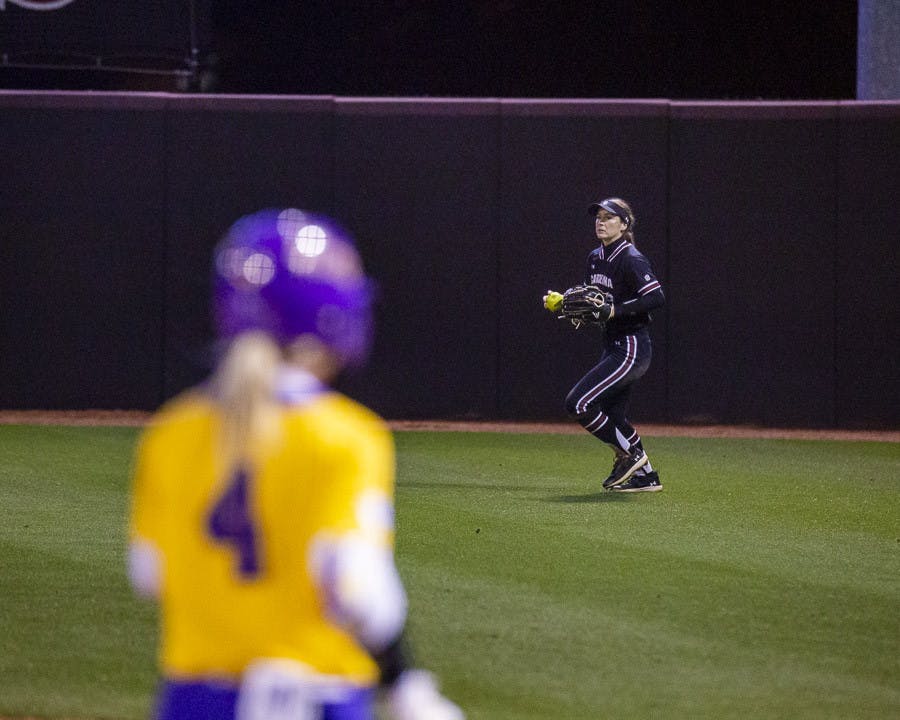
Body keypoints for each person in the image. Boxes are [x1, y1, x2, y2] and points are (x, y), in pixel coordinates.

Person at [127, 208, 464, 720]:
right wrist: (405, 684)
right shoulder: (344, 436)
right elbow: (359, 588)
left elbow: (148, 573)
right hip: (316, 700)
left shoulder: (172, 432)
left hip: (193, 702)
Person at [542, 197, 665, 493]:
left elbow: (656, 297)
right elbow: (594, 305)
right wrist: (567, 307)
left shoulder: (631, 258)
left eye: (609, 217)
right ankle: (646, 476)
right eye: (598, 216)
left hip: (632, 346)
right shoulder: (595, 257)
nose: (601, 221)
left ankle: (630, 456)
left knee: (579, 402)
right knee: (615, 416)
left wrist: (614, 311)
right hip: (614, 345)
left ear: (624, 225)